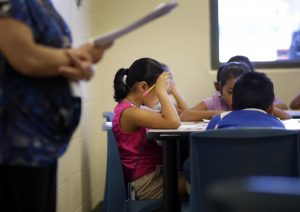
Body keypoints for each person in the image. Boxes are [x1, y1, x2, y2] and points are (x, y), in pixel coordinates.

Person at [0, 1, 112, 212]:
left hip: (44, 138)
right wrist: (79, 56)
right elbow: (27, 57)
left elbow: (54, 59)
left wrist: (83, 68)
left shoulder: (43, 4)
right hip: (16, 140)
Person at [183, 72, 285, 190]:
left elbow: (203, 155)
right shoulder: (278, 125)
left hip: (223, 187)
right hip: (268, 188)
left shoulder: (218, 120)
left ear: (232, 106)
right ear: (271, 108)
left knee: (190, 163)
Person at [112, 58, 187, 200]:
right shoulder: (129, 112)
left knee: (196, 174)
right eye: (157, 92)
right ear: (143, 87)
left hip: (154, 175)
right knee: (201, 183)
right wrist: (162, 90)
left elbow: (169, 116)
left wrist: (160, 89)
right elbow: (173, 121)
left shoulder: (134, 108)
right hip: (147, 184)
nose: (159, 97)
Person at [180, 62, 251, 121]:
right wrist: (216, 114)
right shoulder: (215, 101)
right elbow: (184, 116)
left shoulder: (253, 102)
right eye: (230, 92)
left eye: (242, 92)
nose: (235, 98)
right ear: (220, 88)